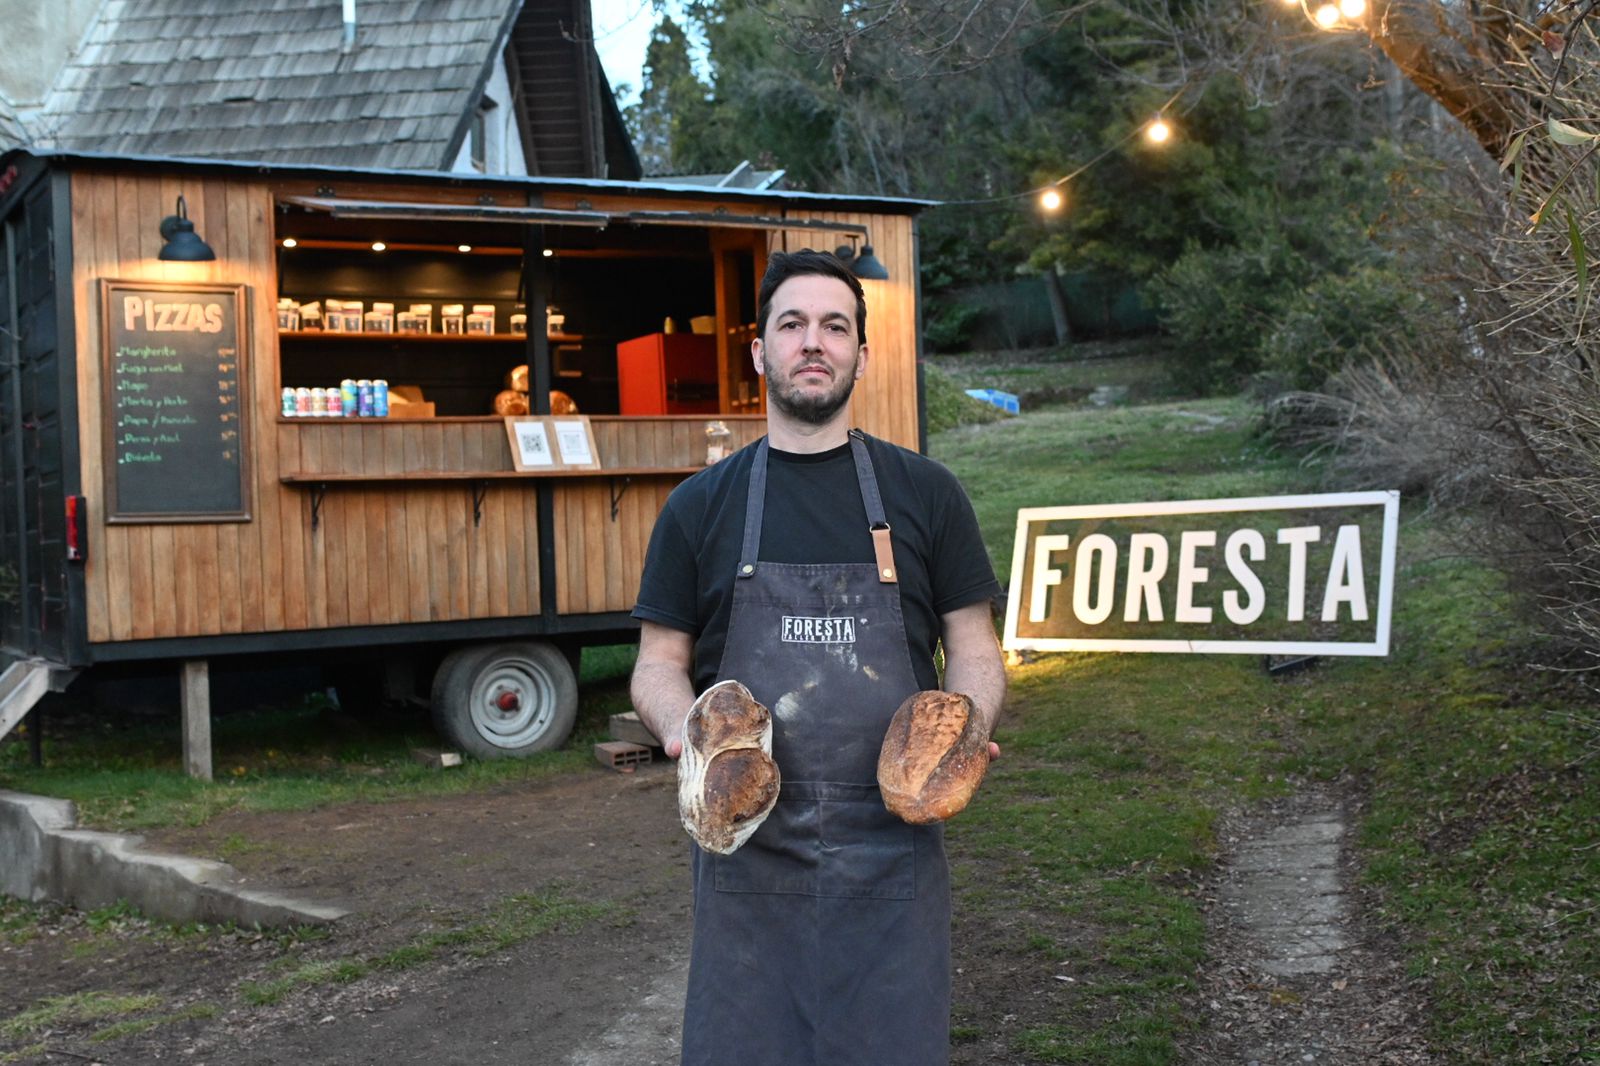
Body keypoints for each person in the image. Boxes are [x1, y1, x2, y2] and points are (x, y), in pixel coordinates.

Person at [630, 248, 1006, 1066]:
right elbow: (658, 660)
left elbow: (975, 646)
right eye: (792, 324)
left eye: (835, 326)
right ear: (759, 350)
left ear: (861, 355)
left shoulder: (926, 493)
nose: (814, 342)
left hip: (892, 852)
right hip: (747, 851)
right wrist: (682, 729)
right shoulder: (700, 506)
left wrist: (968, 728)